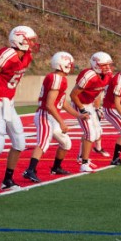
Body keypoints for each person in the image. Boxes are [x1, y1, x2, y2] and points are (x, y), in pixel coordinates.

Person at [0, 25, 36, 196]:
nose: (32, 43)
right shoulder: (8, 54)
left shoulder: (26, 56)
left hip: (9, 102)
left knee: (19, 142)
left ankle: (7, 180)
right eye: (30, 40)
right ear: (20, 40)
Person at [22, 52, 85, 182]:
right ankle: (30, 170)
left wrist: (78, 114)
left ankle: (56, 167)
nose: (71, 66)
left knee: (66, 143)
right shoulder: (56, 78)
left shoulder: (60, 78)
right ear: (63, 65)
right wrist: (62, 122)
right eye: (69, 64)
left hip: (51, 116)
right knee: (43, 143)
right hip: (45, 115)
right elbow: (50, 105)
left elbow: (62, 103)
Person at [70, 51, 113, 172]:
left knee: (97, 132)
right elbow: (73, 95)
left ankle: (81, 157)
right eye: (104, 65)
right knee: (90, 133)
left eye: (108, 64)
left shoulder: (107, 75)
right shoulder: (89, 75)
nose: (107, 67)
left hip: (89, 104)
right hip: (80, 103)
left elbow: (99, 90)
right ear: (96, 65)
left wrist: (97, 106)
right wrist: (82, 110)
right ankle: (84, 164)